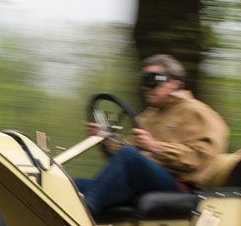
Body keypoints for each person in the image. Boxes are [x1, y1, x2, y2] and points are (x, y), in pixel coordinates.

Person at [75, 54, 229, 217]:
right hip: (143, 183)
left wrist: (155, 147)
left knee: (128, 156)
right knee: (73, 185)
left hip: (179, 186)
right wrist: (105, 140)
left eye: (152, 79)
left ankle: (83, 213)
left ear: (173, 83)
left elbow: (199, 157)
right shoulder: (148, 116)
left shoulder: (198, 112)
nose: (145, 87)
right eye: (143, 80)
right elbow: (121, 157)